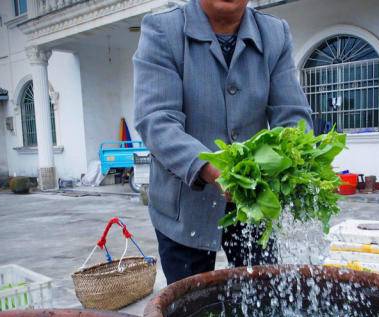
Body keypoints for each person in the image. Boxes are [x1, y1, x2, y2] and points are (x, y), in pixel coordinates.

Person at [133, 0, 312, 284]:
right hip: (184, 204)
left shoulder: (274, 34)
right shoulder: (163, 30)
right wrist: (210, 167)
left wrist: (292, 161)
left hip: (254, 199)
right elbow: (157, 120)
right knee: (189, 306)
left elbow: (291, 115)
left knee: (261, 296)